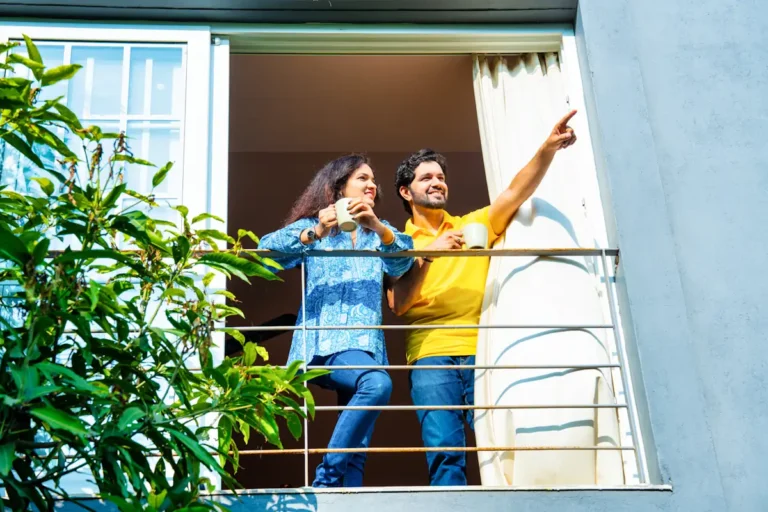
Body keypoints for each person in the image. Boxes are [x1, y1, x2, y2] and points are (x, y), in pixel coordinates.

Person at [386, 111, 578, 486]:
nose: (437, 182)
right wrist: (429, 255)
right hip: (430, 354)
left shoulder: (471, 225)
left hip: (486, 349)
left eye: (441, 177)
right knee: (444, 452)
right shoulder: (398, 244)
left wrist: (547, 149)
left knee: (503, 446)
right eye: (426, 178)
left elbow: (515, 192)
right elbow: (398, 305)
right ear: (406, 192)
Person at [259, 154, 413, 488]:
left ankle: (347, 499)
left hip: (366, 348)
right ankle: (325, 481)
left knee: (358, 444)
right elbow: (266, 254)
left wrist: (379, 227)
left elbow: (403, 262)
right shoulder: (316, 226)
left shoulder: (379, 233)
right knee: (377, 384)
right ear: (339, 186)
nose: (372, 185)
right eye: (362, 178)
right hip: (323, 344)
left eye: (374, 180)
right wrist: (316, 231)